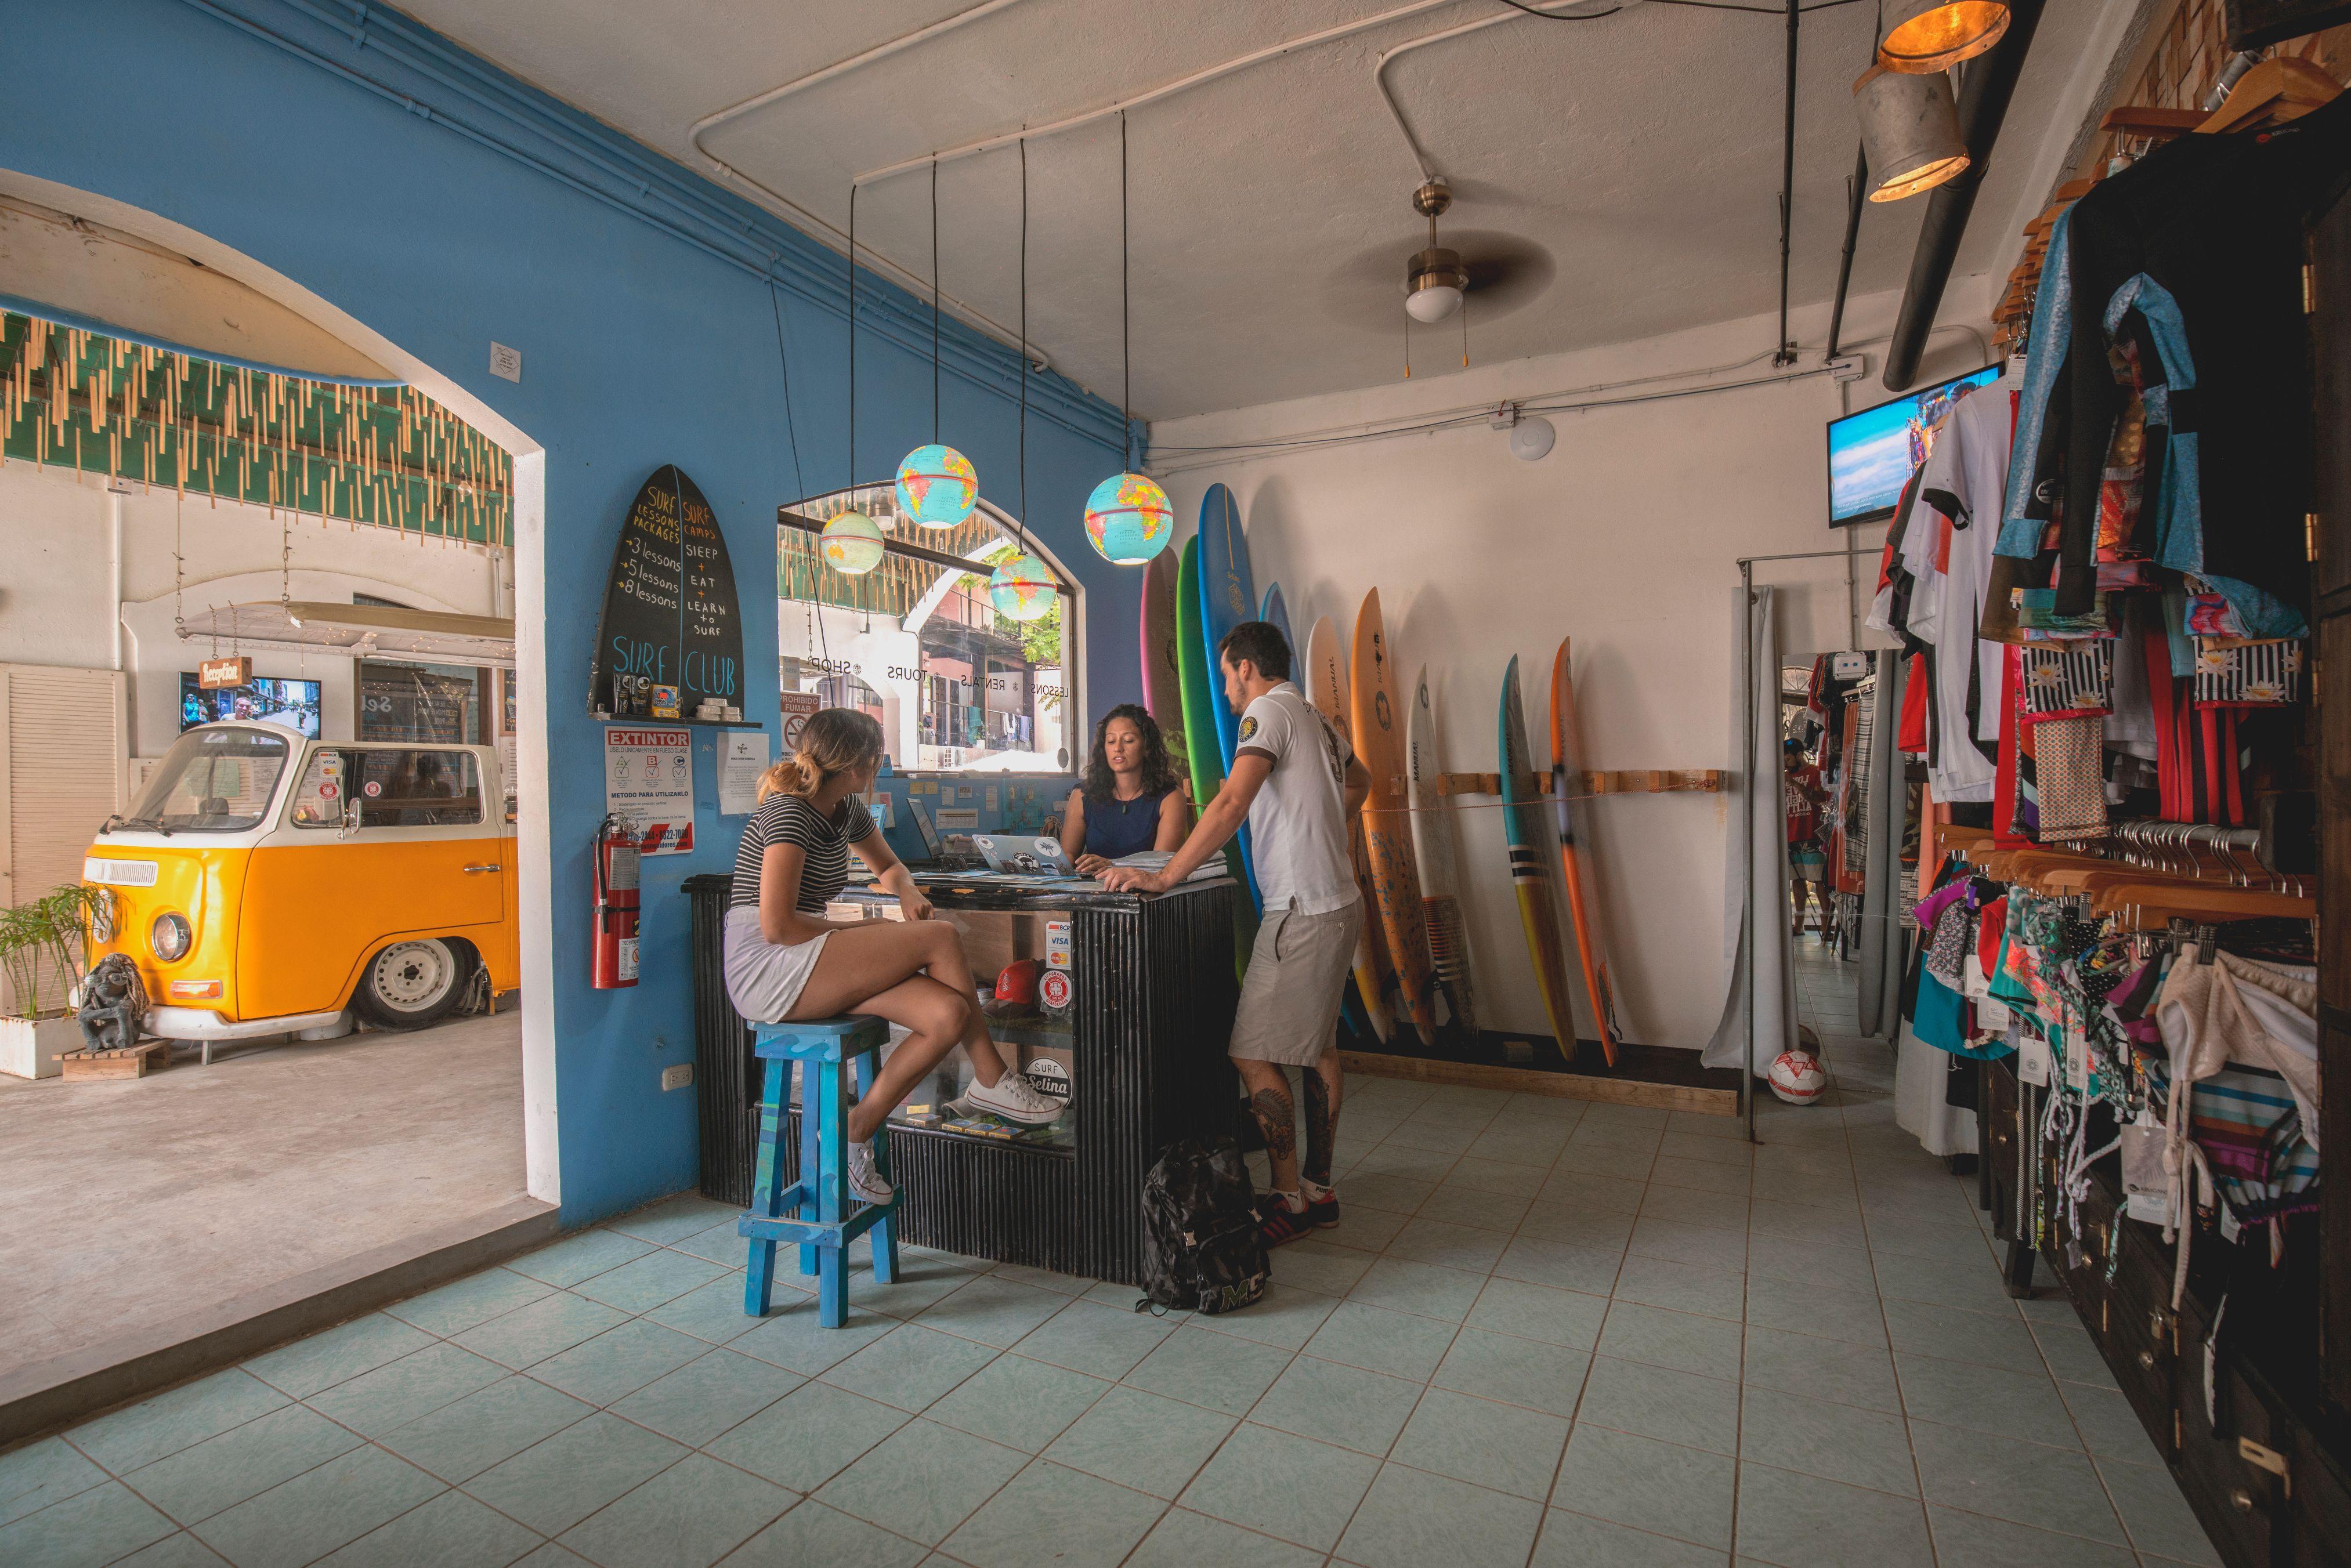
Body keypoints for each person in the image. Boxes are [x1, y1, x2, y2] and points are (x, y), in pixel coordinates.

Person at [1099, 621, 1370, 1247]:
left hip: (1299, 909)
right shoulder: (1317, 719)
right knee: (1318, 1050)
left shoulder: (1267, 714)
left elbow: (1228, 805)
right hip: (1338, 903)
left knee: (1251, 1053)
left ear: (1246, 667)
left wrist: (1165, 875)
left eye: (1225, 676)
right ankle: (1320, 1191)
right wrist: (1320, 822)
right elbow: (1362, 784)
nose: (1223, 691)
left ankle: (1288, 1201)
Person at [724, 708, 1060, 1202]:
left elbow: (890, 866)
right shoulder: (789, 811)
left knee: (948, 1014)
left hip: (809, 956)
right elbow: (777, 925)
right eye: (877, 757)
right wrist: (867, 929)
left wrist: (903, 891)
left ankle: (854, 1131)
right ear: (861, 765)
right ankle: (991, 1078)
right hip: (767, 964)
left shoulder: (846, 811)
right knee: (940, 938)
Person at [1057, 703, 1189, 875]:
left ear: (1147, 747)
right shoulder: (1081, 796)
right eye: (1111, 741)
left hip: (1148, 897)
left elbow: (1162, 868)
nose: (1118, 748)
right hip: (1095, 895)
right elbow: (1067, 858)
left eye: (1128, 740)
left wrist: (1113, 865)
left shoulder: (1171, 798)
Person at [1784, 737, 1828, 939]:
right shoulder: (1783, 776)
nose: (1785, 762)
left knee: (1819, 881)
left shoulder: (1815, 773)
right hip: (1791, 836)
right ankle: (1799, 925)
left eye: (1789, 758)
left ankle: (1826, 927)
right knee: (1797, 882)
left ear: (1800, 756)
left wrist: (1795, 785)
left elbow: (1819, 800)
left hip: (1812, 835)